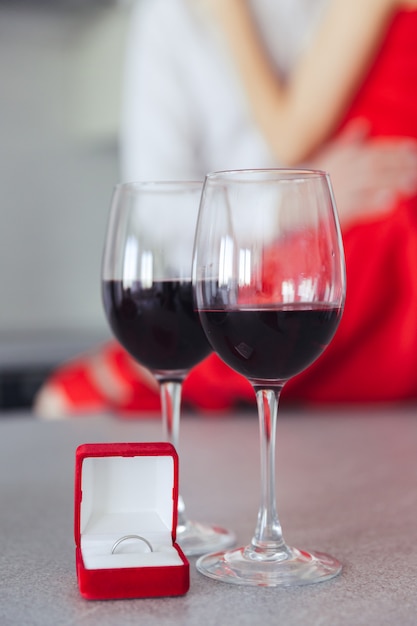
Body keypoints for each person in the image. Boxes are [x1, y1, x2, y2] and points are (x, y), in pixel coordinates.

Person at [34, 0, 417, 417]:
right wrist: (290, 208)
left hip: (327, 262)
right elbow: (156, 208)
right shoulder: (172, 17)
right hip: (213, 297)